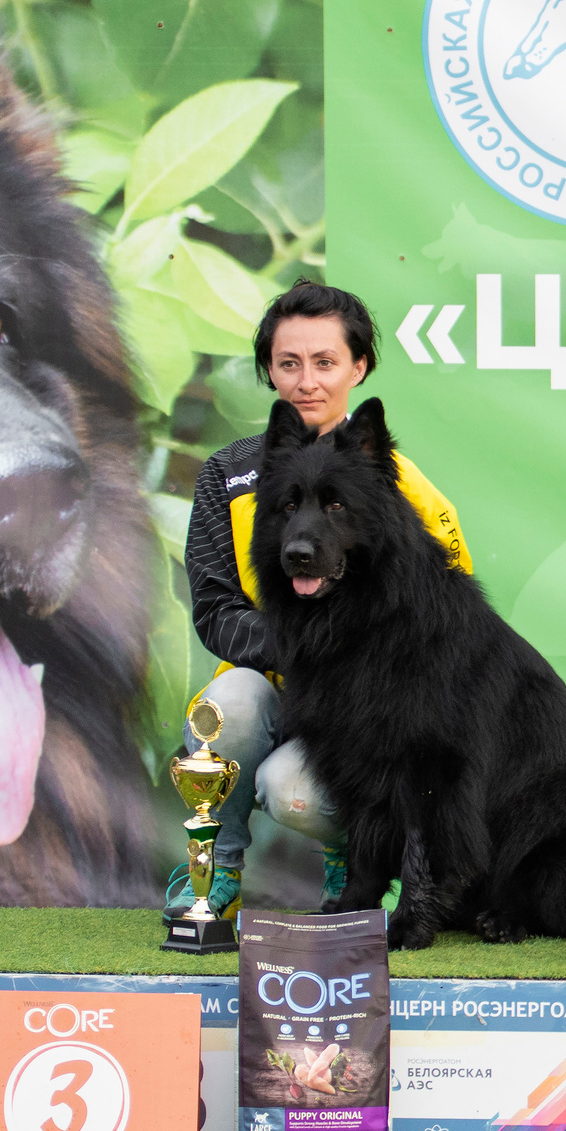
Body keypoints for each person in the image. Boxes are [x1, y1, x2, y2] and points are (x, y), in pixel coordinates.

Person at [169, 281, 472, 915]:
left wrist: (356, 662)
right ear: (269, 372)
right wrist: (309, 650)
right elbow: (215, 608)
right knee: (230, 703)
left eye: (325, 362)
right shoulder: (227, 476)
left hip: (369, 708)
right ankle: (213, 871)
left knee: (293, 791)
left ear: (358, 367)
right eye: (289, 363)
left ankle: (351, 865)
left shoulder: (404, 486)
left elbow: (448, 626)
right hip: (277, 684)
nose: (307, 381)